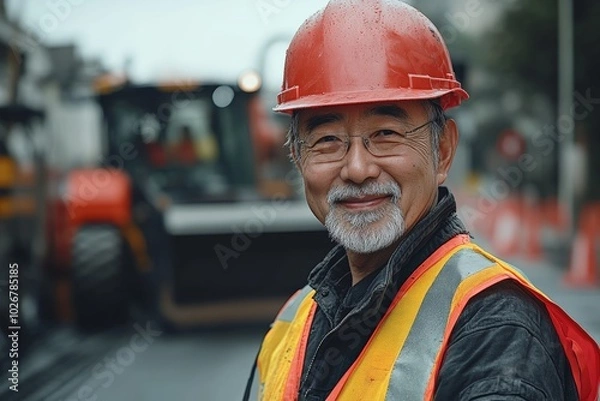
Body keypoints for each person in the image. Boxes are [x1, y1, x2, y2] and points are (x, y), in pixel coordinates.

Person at [244, 1, 600, 400]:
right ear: (297, 156)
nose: (358, 168)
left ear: (443, 151)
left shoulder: (495, 328)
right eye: (328, 140)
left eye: (386, 134)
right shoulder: (292, 322)